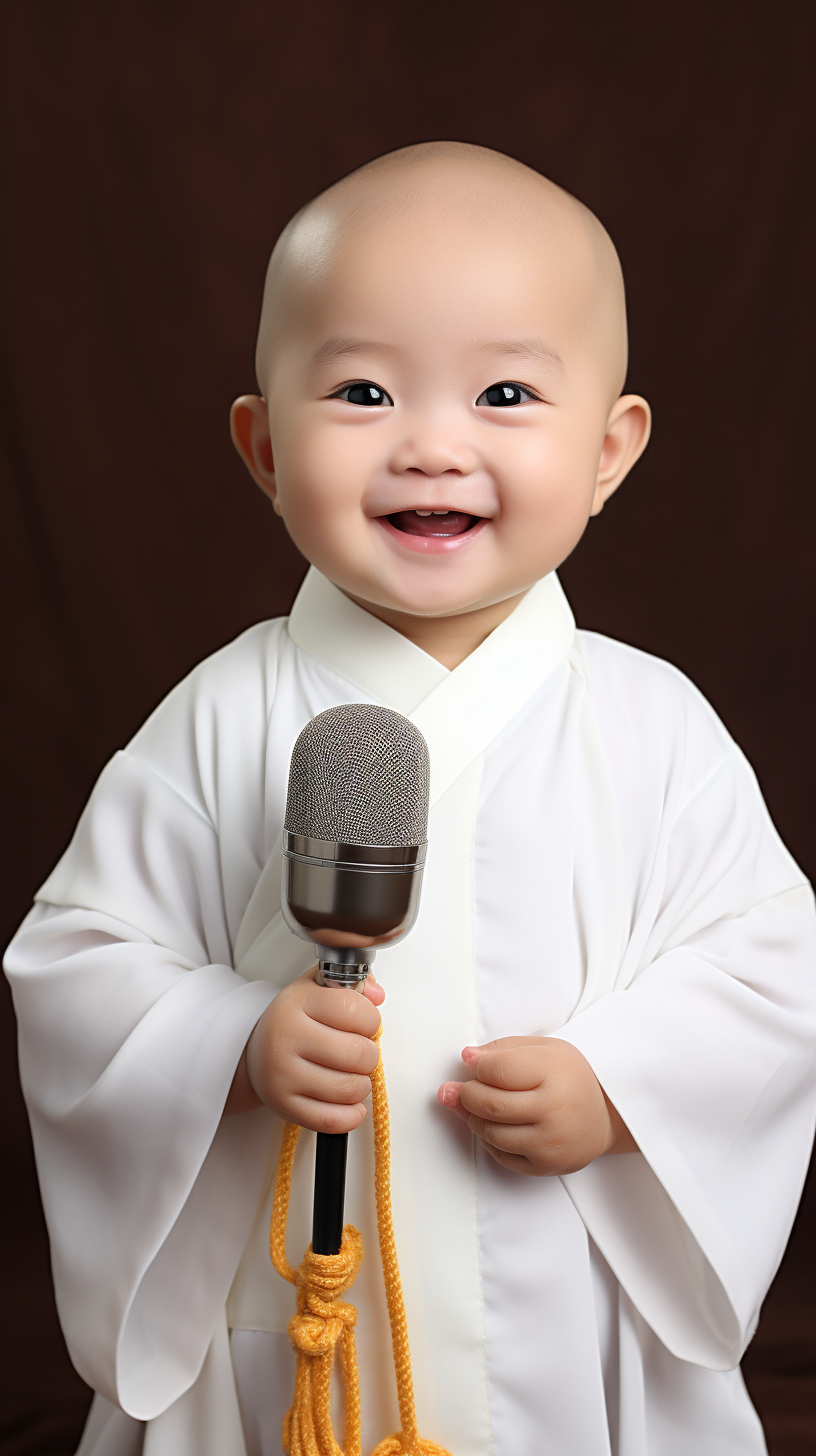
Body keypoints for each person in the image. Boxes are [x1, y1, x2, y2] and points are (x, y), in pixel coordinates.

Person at [6, 141, 816, 1456]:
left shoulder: (651, 725)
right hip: (292, 1315)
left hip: (571, 1296)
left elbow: (771, 973)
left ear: (610, 450)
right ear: (264, 446)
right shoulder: (220, 716)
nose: (433, 447)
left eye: (505, 392)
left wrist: (620, 1087)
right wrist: (231, 1047)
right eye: (366, 390)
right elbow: (78, 963)